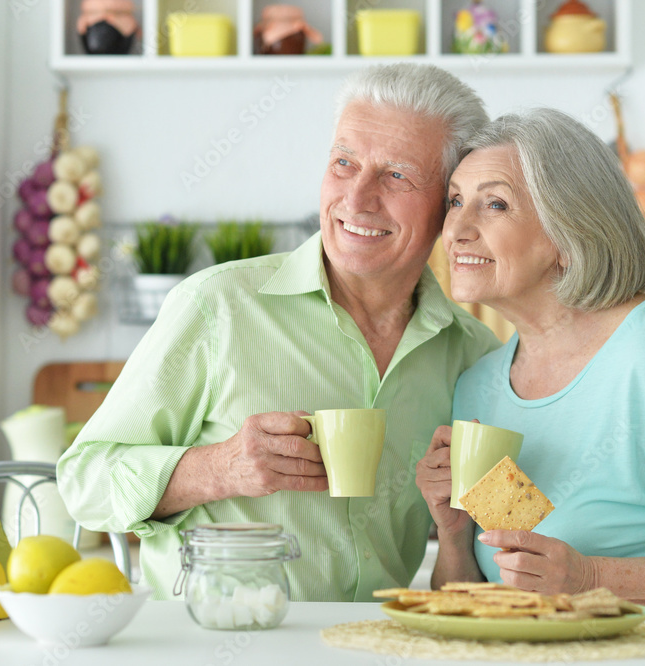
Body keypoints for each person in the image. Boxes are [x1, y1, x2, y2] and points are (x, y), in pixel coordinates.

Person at [57, 63, 502, 601]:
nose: (357, 198)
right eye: (344, 163)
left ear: (449, 207)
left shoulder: (474, 357)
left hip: (371, 645)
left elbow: (475, 572)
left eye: (397, 175)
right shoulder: (217, 305)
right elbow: (83, 481)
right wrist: (218, 469)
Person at [416, 107, 645, 606]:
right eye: (455, 201)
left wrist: (590, 576)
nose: (456, 230)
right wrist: (454, 530)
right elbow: (473, 598)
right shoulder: (479, 386)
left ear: (569, 235)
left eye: (495, 205)